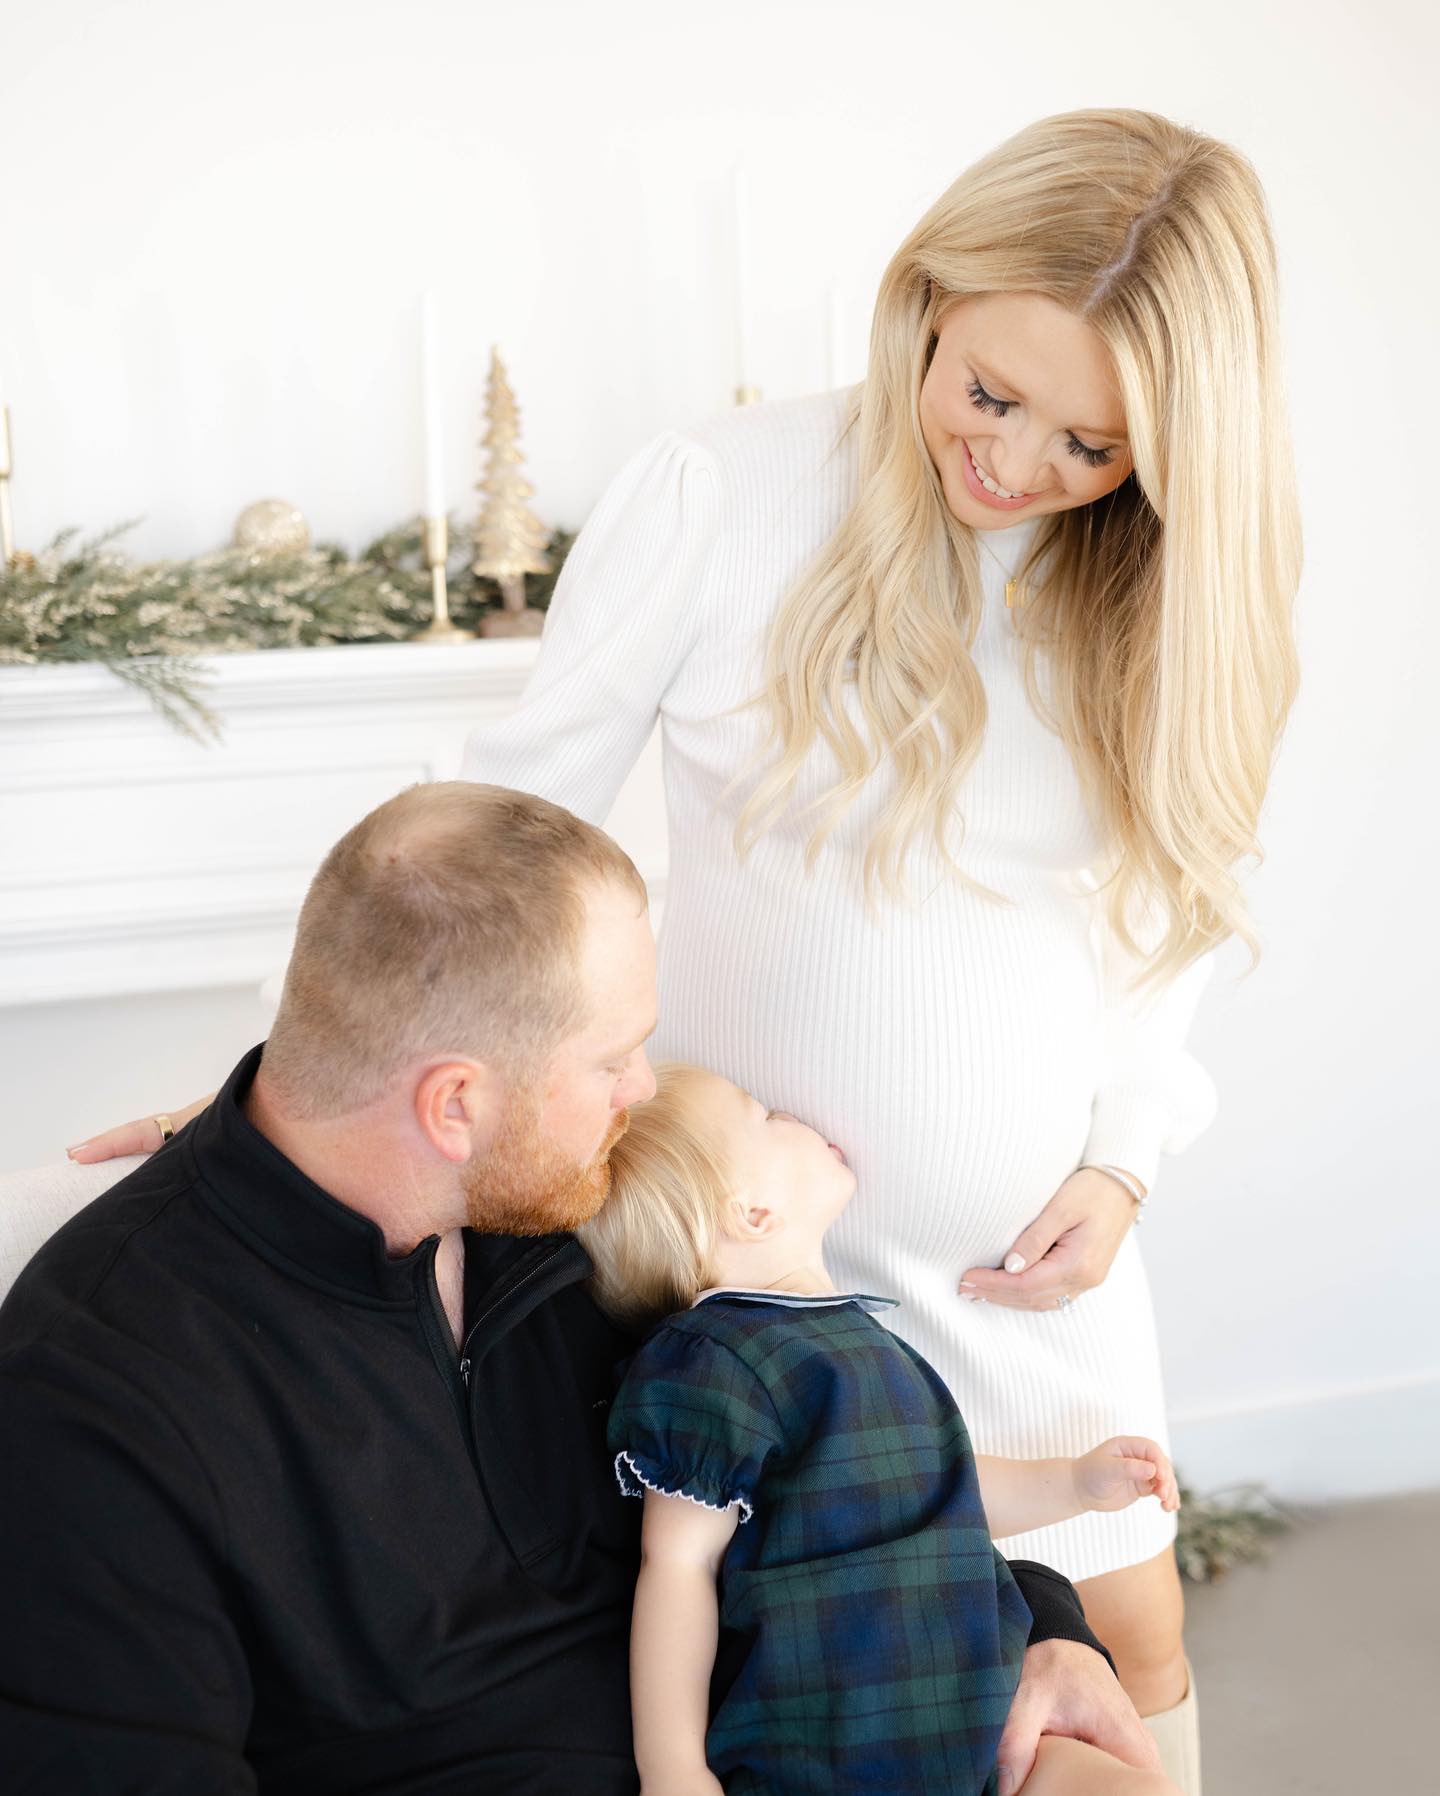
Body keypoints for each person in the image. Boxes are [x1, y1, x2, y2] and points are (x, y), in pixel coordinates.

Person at [70, 106, 1305, 1791]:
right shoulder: (724, 496)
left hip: (1034, 1271)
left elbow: (1173, 903)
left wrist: (1126, 1154)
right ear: (927, 298)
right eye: (992, 394)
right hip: (746, 1246)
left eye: (1090, 447)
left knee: (1114, 1652)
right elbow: (506, 825)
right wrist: (295, 1086)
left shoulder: (1157, 591)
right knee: (795, 1669)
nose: (1014, 468)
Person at [8, 782, 1157, 1793]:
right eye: (613, 1058)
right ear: (454, 1103)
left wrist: (1048, 1631)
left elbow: (821, 1474)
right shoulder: (99, 1399)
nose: (643, 1086)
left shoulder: (566, 1226)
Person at [579, 1062, 1184, 1796]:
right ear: (751, 1213)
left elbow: (944, 1487)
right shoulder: (709, 1360)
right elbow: (677, 1568)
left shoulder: (861, 1339)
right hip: (830, 1748)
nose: (795, 1115)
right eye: (766, 1117)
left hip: (985, 1722)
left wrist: (1073, 1484)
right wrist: (673, 1767)